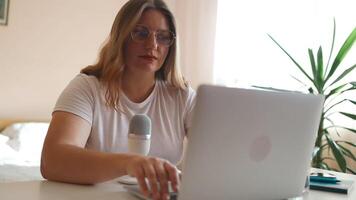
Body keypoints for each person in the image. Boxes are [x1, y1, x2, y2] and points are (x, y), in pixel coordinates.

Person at [40, 0, 196, 200]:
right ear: (121, 37)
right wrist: (129, 163)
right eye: (140, 33)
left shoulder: (182, 96)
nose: (152, 45)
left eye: (163, 37)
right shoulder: (87, 88)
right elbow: (52, 161)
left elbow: (216, 154)